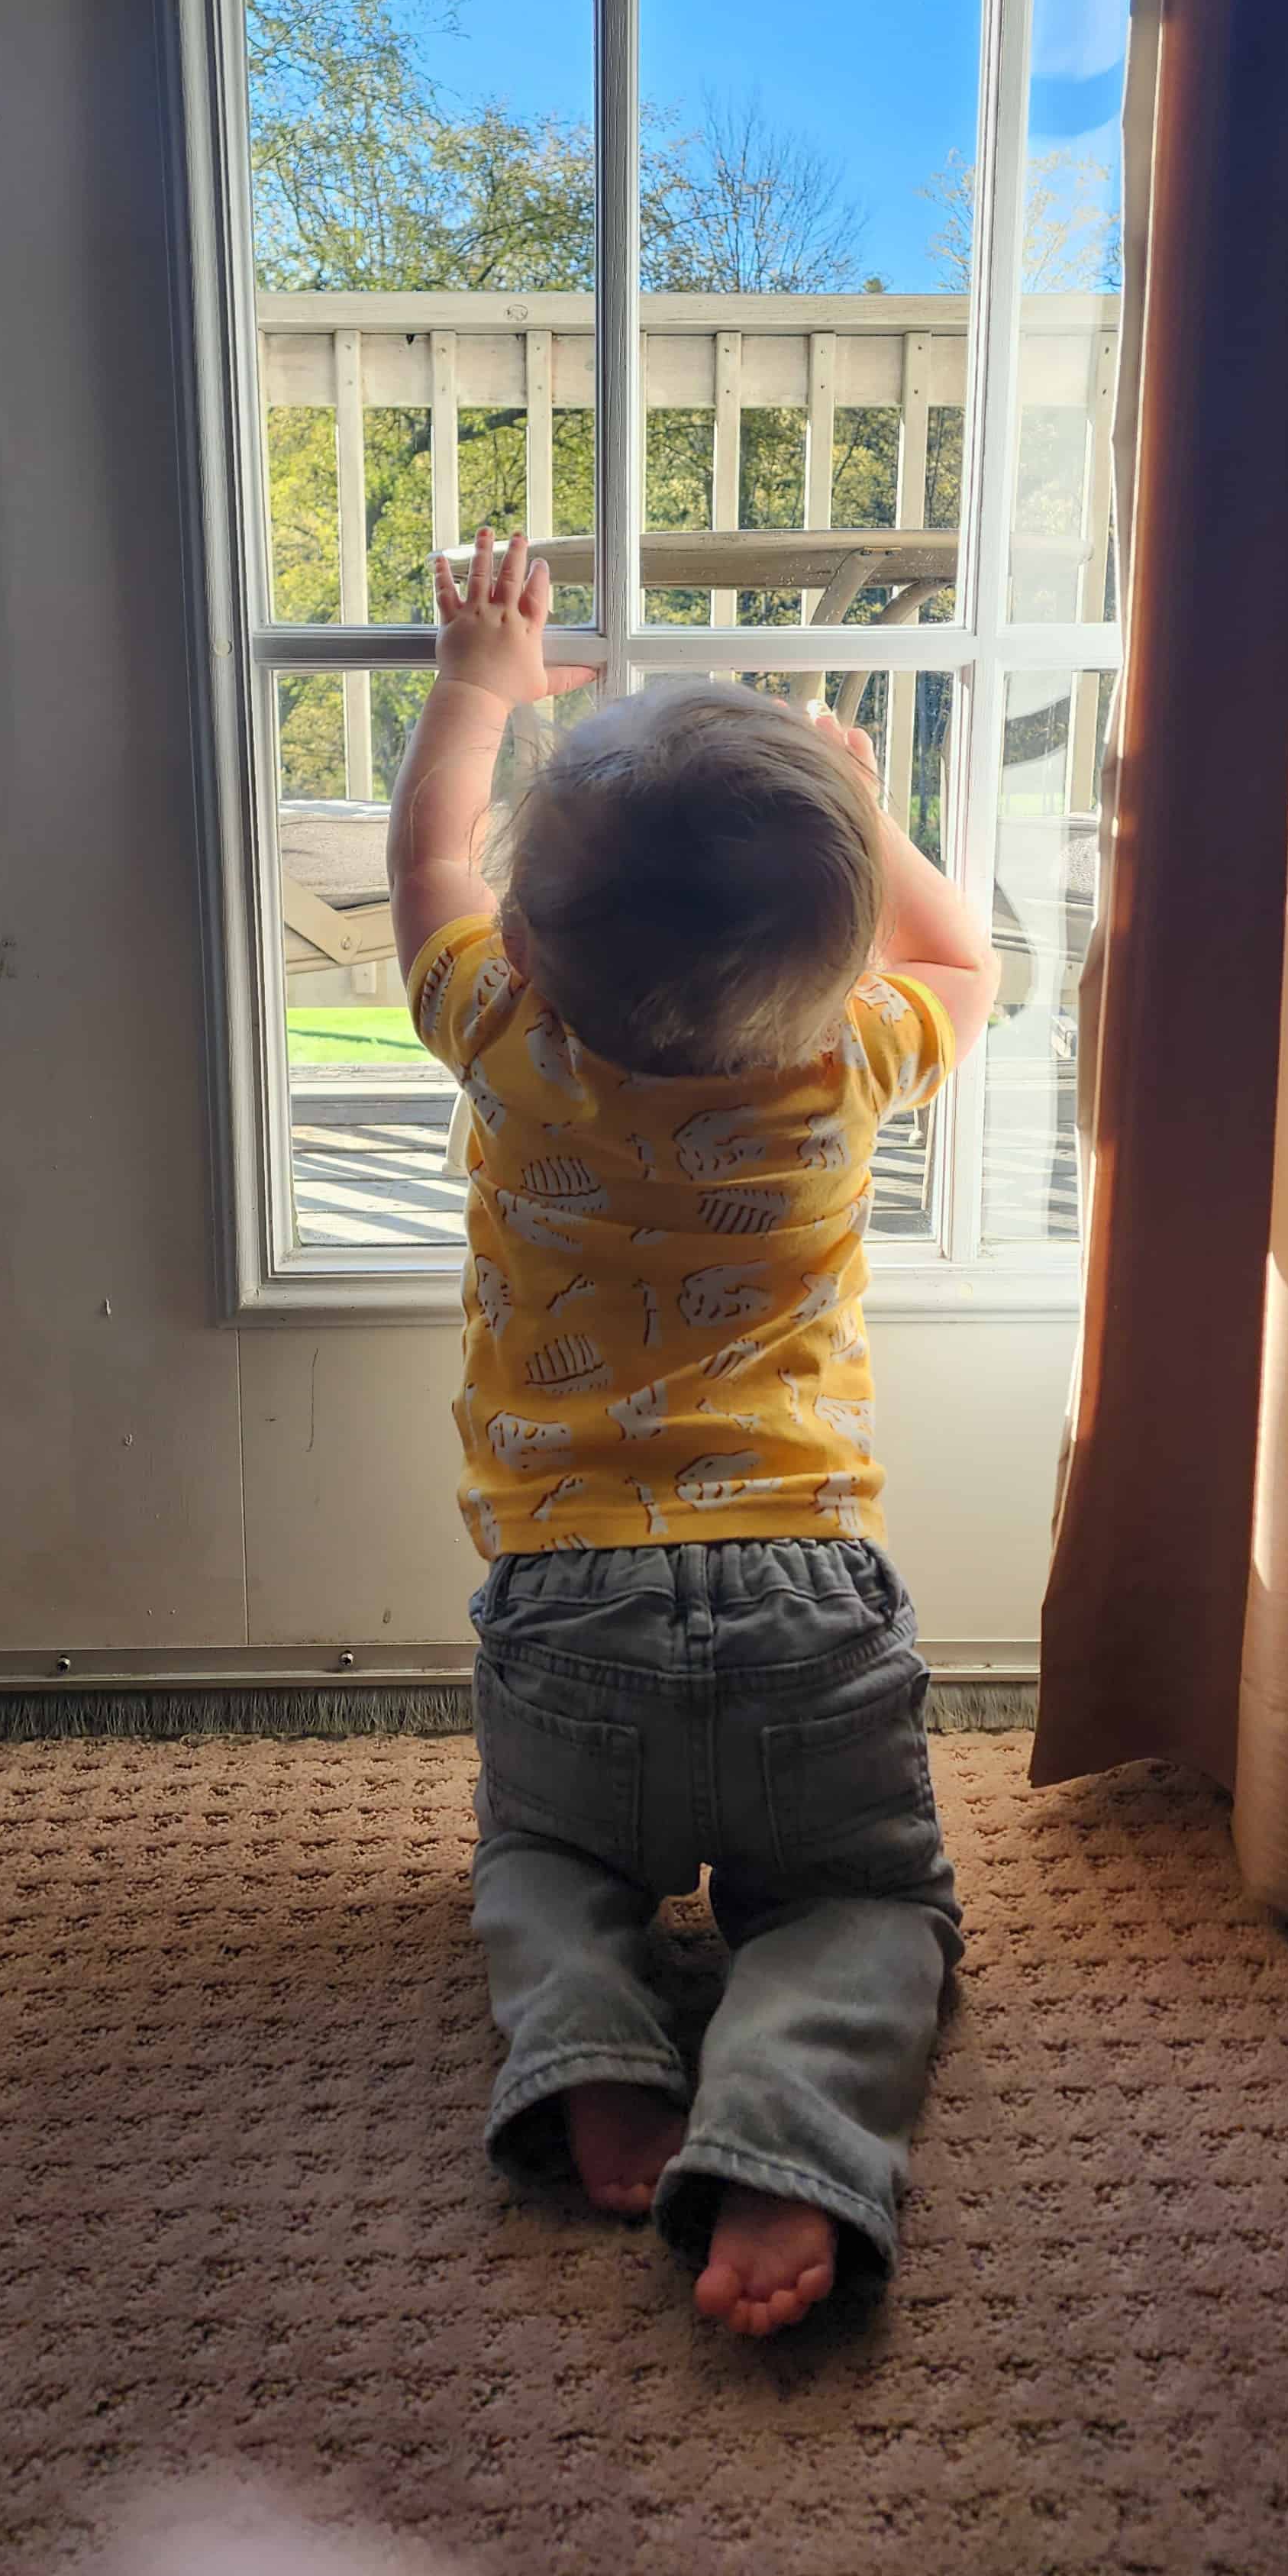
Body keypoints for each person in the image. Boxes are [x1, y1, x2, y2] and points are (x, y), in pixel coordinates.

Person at [386, 527, 995, 2338]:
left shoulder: (502, 1027)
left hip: (568, 1599)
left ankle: (587, 2031)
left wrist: (481, 682)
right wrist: (867, 806)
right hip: (813, 1600)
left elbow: (423, 854)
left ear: (534, 940)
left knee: (542, 1863)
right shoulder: (849, 1056)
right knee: (867, 1906)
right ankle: (786, 2124)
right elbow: (961, 953)